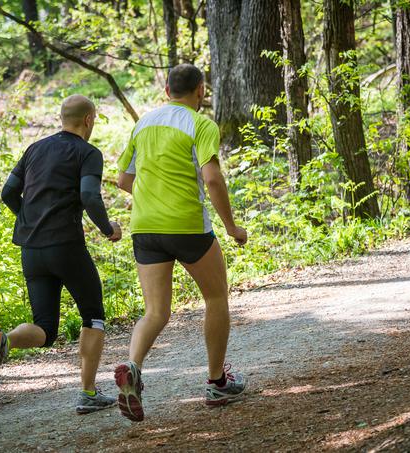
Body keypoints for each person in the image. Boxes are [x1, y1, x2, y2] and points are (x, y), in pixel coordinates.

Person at [113, 64, 248, 422]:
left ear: (167, 89)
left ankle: (132, 367)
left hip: (144, 228)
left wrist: (152, 195)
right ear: (200, 90)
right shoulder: (200, 124)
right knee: (216, 297)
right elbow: (213, 180)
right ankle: (217, 382)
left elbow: (123, 179)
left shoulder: (143, 123)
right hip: (186, 226)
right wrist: (232, 228)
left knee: (156, 311)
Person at [0, 95, 122, 415]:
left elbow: (8, 193)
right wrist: (107, 228)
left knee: (45, 329)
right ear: (88, 120)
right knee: (93, 315)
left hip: (31, 249)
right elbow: (88, 195)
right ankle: (87, 392)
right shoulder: (88, 152)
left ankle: (4, 340)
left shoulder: (34, 149)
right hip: (65, 246)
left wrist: (28, 219)